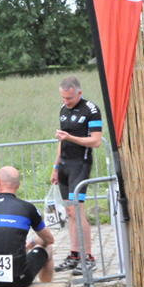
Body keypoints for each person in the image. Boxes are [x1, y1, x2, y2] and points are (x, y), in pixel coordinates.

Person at [50, 76, 102, 276]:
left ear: (79, 93)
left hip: (80, 165)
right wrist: (55, 167)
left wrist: (70, 137)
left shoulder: (91, 110)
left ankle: (88, 257)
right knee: (70, 213)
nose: (66, 101)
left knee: (77, 212)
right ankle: (74, 254)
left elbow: (96, 141)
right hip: (64, 165)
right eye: (63, 98)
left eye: (69, 98)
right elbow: (62, 141)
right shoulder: (63, 110)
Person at [0, 166, 54, 287]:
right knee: (48, 248)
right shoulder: (27, 208)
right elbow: (49, 240)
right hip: (20, 279)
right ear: (18, 185)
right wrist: (33, 241)